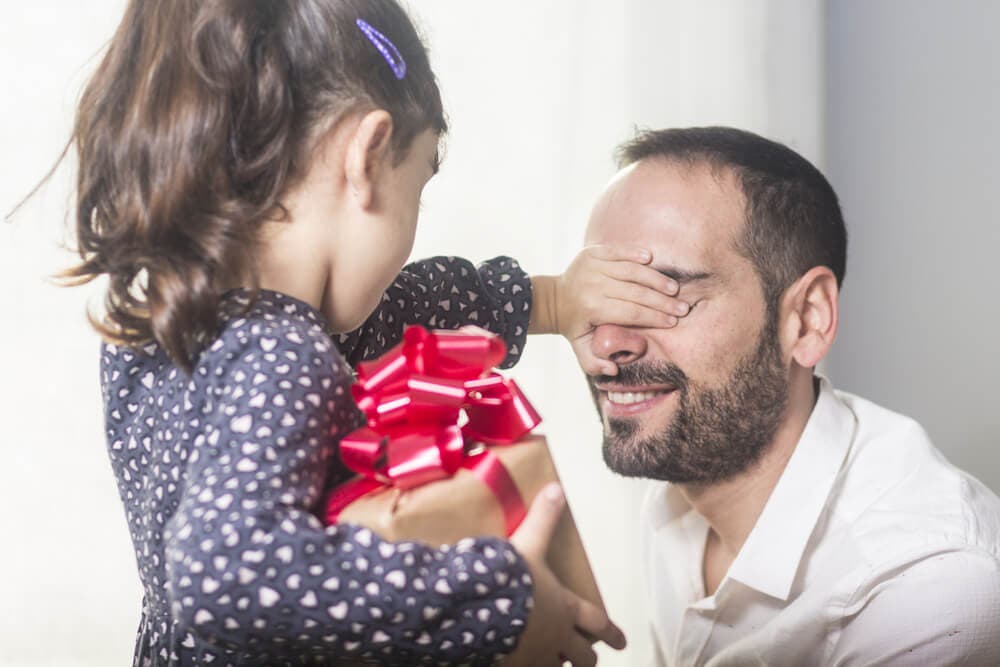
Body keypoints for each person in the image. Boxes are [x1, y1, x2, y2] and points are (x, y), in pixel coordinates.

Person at [53, 1, 693, 664]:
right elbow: (224, 577)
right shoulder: (283, 352)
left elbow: (407, 308)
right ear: (367, 154)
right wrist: (499, 593)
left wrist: (554, 299)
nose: (411, 228)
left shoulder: (166, 318)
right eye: (418, 184)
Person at [572, 126, 1000, 665]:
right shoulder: (678, 486)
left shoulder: (930, 589)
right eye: (596, 295)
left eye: (666, 293)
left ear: (806, 319)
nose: (606, 345)